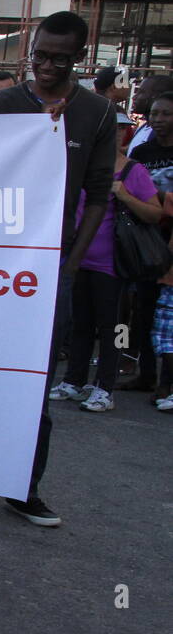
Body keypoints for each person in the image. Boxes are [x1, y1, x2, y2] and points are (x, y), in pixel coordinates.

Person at [0, 11, 116, 528]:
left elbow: (99, 194)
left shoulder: (99, 114)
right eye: (40, 55)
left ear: (79, 58)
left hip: (50, 266)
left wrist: (72, 261)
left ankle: (23, 486)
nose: (47, 67)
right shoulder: (1, 103)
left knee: (34, 380)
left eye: (60, 59)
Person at [50, 112, 164, 412]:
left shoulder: (132, 170)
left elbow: (155, 213)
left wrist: (124, 195)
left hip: (113, 265)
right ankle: (74, 380)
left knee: (114, 327)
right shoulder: (80, 166)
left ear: (123, 135)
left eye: (115, 132)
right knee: (80, 324)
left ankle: (105, 386)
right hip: (77, 260)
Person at [129, 90, 173, 405]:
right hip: (145, 239)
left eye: (166, 113)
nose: (158, 119)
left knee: (168, 316)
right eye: (155, 113)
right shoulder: (142, 152)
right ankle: (145, 374)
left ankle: (167, 383)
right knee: (142, 310)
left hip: (170, 241)